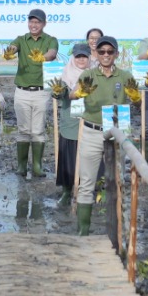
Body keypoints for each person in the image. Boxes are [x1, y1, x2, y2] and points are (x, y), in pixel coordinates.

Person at [71, 35, 136, 239]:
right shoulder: (88, 75)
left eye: (110, 51)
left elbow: (138, 102)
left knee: (117, 181)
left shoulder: (125, 76)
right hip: (92, 131)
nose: (106, 55)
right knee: (86, 183)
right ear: (96, 54)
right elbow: (72, 95)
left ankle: (116, 232)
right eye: (101, 51)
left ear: (116, 54)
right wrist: (78, 93)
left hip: (117, 133)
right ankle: (83, 232)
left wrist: (136, 98)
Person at [3, 9, 58, 180]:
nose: (33, 25)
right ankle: (21, 166)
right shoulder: (21, 39)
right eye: (31, 22)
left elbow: (52, 53)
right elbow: (13, 48)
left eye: (37, 22)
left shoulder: (50, 39)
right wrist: (10, 52)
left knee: (38, 130)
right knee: (23, 129)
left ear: (44, 24)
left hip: (41, 92)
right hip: (22, 91)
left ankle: (37, 165)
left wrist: (43, 57)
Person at [50, 42, 93, 206]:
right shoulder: (65, 74)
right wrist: (58, 92)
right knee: (69, 159)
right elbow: (59, 93)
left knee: (90, 158)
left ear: (89, 57)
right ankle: (67, 191)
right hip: (70, 124)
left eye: (84, 57)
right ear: (73, 58)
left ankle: (88, 190)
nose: (81, 60)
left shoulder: (95, 73)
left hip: (90, 122)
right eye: (78, 56)